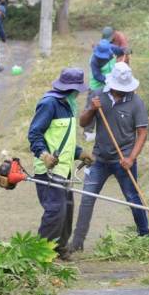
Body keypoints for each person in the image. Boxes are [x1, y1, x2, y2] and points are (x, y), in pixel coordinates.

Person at [69, 62, 149, 253]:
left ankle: (144, 236)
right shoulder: (99, 96)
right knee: (87, 198)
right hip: (99, 159)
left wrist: (131, 158)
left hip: (124, 161)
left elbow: (142, 133)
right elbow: (83, 123)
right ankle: (77, 241)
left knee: (132, 198)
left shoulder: (136, 103)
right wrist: (92, 109)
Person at [28, 68, 93, 259]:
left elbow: (64, 140)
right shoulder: (49, 104)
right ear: (71, 89)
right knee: (55, 210)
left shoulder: (69, 106)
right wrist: (44, 155)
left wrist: (80, 153)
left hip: (64, 170)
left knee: (67, 210)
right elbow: (34, 134)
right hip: (48, 170)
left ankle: (59, 248)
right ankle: (39, 253)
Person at [84, 39, 125, 141]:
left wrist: (125, 52)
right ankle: (87, 132)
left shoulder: (112, 48)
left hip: (111, 84)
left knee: (110, 105)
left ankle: (109, 129)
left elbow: (121, 51)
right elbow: (97, 75)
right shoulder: (94, 60)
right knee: (92, 107)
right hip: (96, 86)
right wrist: (108, 80)